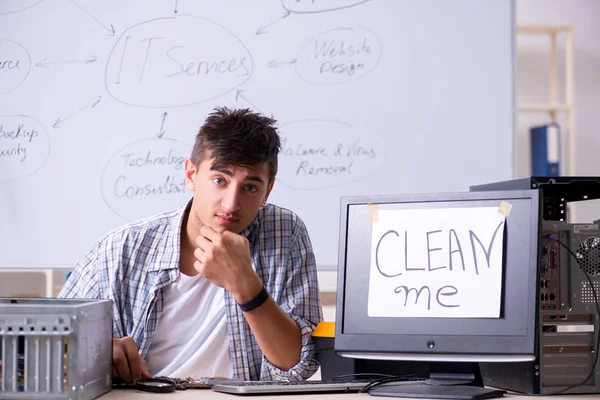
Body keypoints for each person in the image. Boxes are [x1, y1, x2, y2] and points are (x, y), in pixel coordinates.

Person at [58, 107, 323, 382]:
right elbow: (50, 346)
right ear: (191, 174)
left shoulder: (284, 232)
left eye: (250, 188)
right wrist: (95, 353)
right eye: (220, 180)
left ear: (267, 191)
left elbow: (296, 369)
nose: (231, 205)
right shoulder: (122, 248)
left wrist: (245, 285)